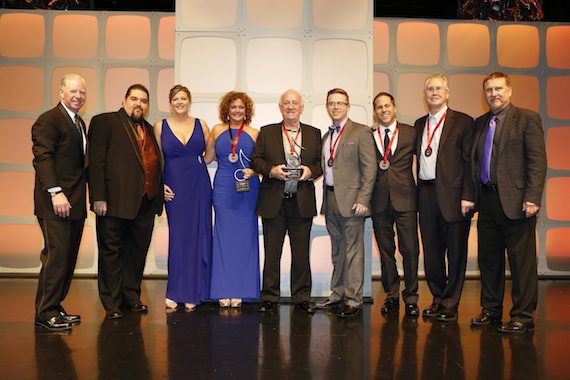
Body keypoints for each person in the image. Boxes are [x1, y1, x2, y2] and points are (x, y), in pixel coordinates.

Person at [470, 72, 547, 334]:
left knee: (520, 262)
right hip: (488, 199)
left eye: (499, 88)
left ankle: (523, 316)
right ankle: (491, 310)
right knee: (488, 260)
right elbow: (474, 163)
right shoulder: (480, 123)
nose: (494, 94)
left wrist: (533, 197)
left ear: (510, 91)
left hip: (518, 201)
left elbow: (537, 162)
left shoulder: (527, 118)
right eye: (489, 90)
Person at [89, 84, 164, 319]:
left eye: (143, 100)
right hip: (113, 202)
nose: (138, 104)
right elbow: (96, 161)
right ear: (124, 101)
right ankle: (112, 302)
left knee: (136, 253)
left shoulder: (150, 129)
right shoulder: (105, 122)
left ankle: (130, 296)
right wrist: (98, 197)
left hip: (145, 203)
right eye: (134, 99)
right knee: (111, 252)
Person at [251, 89, 323, 314]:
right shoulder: (267, 131)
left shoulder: (313, 133)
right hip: (274, 201)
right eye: (286, 103)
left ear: (301, 107)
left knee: (301, 254)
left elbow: (322, 164)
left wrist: (310, 171)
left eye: (295, 103)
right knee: (272, 253)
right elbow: (256, 160)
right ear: (281, 107)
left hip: (301, 201)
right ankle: (270, 297)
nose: (291, 106)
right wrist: (271, 171)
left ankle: (301, 297)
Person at [415, 74, 475, 322]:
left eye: (439, 88)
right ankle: (438, 298)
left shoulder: (463, 121)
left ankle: (451, 303)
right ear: (425, 94)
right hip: (426, 194)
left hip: (454, 196)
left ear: (447, 93)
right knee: (431, 251)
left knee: (456, 252)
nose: (434, 92)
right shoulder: (420, 124)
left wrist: (468, 196)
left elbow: (470, 161)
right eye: (430, 89)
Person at [32, 74, 87, 331]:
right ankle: (45, 312)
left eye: (82, 92)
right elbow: (42, 158)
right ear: (61, 92)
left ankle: (55, 306)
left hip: (75, 202)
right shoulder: (49, 120)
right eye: (73, 91)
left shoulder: (79, 123)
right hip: (55, 202)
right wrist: (56, 192)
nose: (78, 96)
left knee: (68, 257)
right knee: (56, 256)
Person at [318, 88, 377, 318]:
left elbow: (370, 169)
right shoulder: (327, 136)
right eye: (331, 103)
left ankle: (353, 299)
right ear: (327, 107)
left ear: (348, 106)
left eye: (340, 103)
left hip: (353, 202)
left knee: (353, 251)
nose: (335, 107)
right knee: (338, 251)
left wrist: (363, 199)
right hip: (331, 199)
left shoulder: (361, 132)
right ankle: (337, 294)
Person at [154, 85, 212, 311]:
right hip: (174, 187)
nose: (180, 102)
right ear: (170, 102)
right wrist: (160, 185)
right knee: (179, 237)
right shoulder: (160, 126)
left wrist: (196, 166)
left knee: (199, 236)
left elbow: (209, 155)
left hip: (199, 185)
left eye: (184, 98)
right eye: (176, 99)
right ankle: (176, 291)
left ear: (189, 101)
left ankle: (195, 291)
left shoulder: (202, 124)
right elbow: (155, 160)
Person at [205, 91, 259, 308]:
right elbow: (207, 157)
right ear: (226, 109)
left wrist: (254, 172)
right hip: (223, 187)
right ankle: (222, 290)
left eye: (241, 107)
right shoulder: (217, 130)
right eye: (233, 107)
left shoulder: (255, 133)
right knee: (223, 238)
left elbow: (260, 163)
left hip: (247, 189)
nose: (237, 111)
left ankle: (241, 290)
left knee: (244, 239)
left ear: (247, 111)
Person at [370, 92, 420, 317]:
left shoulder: (411, 132)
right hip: (379, 201)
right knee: (386, 251)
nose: (383, 110)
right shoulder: (368, 135)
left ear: (395, 107)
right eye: (379, 107)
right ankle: (391, 295)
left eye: (387, 106)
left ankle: (411, 297)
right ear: (375, 111)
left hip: (406, 199)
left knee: (410, 250)